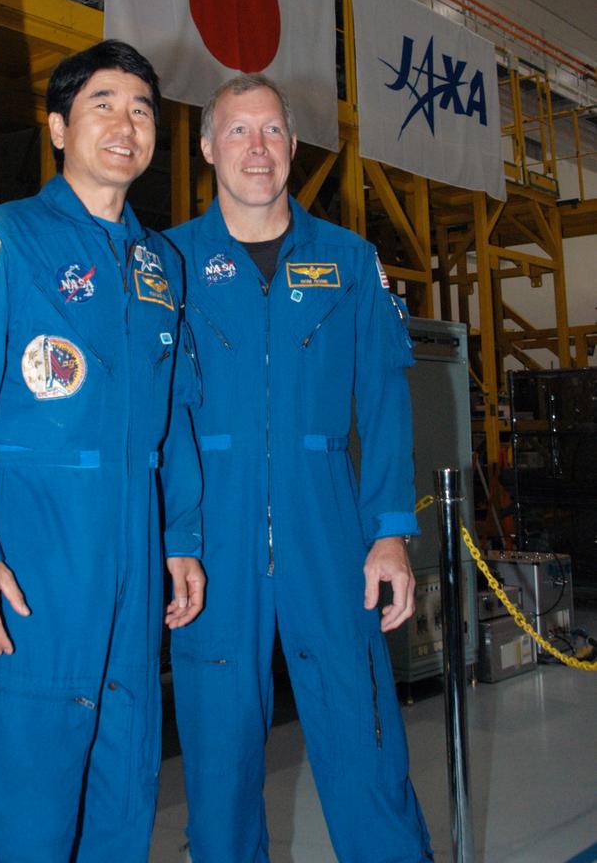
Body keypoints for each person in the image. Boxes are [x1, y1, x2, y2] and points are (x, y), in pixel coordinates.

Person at [0, 40, 205, 863]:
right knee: (20, 800)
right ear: (56, 128)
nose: (127, 124)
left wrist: (179, 536)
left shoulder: (162, 265)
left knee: (122, 788)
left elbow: (176, 414)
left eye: (142, 109)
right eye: (103, 105)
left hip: (132, 556)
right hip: (34, 557)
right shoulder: (0, 242)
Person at [167, 74, 433, 863]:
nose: (258, 148)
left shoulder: (348, 262)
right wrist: (174, 536)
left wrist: (388, 532)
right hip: (213, 542)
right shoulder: (167, 264)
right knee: (218, 758)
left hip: (329, 535)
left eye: (273, 131)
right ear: (210, 147)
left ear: (292, 145)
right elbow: (160, 417)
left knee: (364, 735)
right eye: (239, 132)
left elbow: (384, 404)